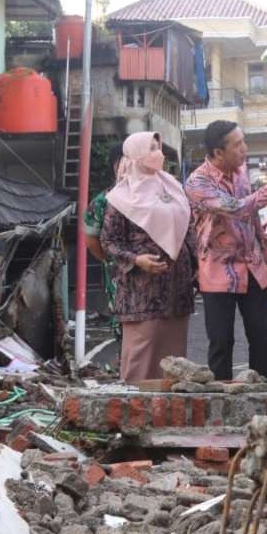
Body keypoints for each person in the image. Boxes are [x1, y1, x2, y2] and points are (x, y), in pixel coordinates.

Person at [185, 120, 267, 381]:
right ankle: (221, 404)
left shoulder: (240, 173)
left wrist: (263, 250)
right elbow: (237, 208)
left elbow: (251, 218)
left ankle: (261, 395)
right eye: (238, 144)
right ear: (218, 152)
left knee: (263, 336)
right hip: (217, 272)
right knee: (221, 341)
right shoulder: (197, 183)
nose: (245, 149)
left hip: (252, 267)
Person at [100, 132, 195, 382]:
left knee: (174, 356)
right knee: (143, 350)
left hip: (177, 286)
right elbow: (109, 241)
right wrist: (136, 260)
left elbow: (189, 227)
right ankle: (135, 413)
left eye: (158, 147)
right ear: (135, 155)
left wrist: (193, 265)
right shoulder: (121, 197)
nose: (158, 153)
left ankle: (169, 415)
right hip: (142, 291)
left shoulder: (173, 186)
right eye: (151, 148)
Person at [83, 144, 125, 324]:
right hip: (120, 282)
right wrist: (112, 259)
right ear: (117, 165)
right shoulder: (102, 202)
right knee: (124, 333)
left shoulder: (152, 195)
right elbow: (91, 241)